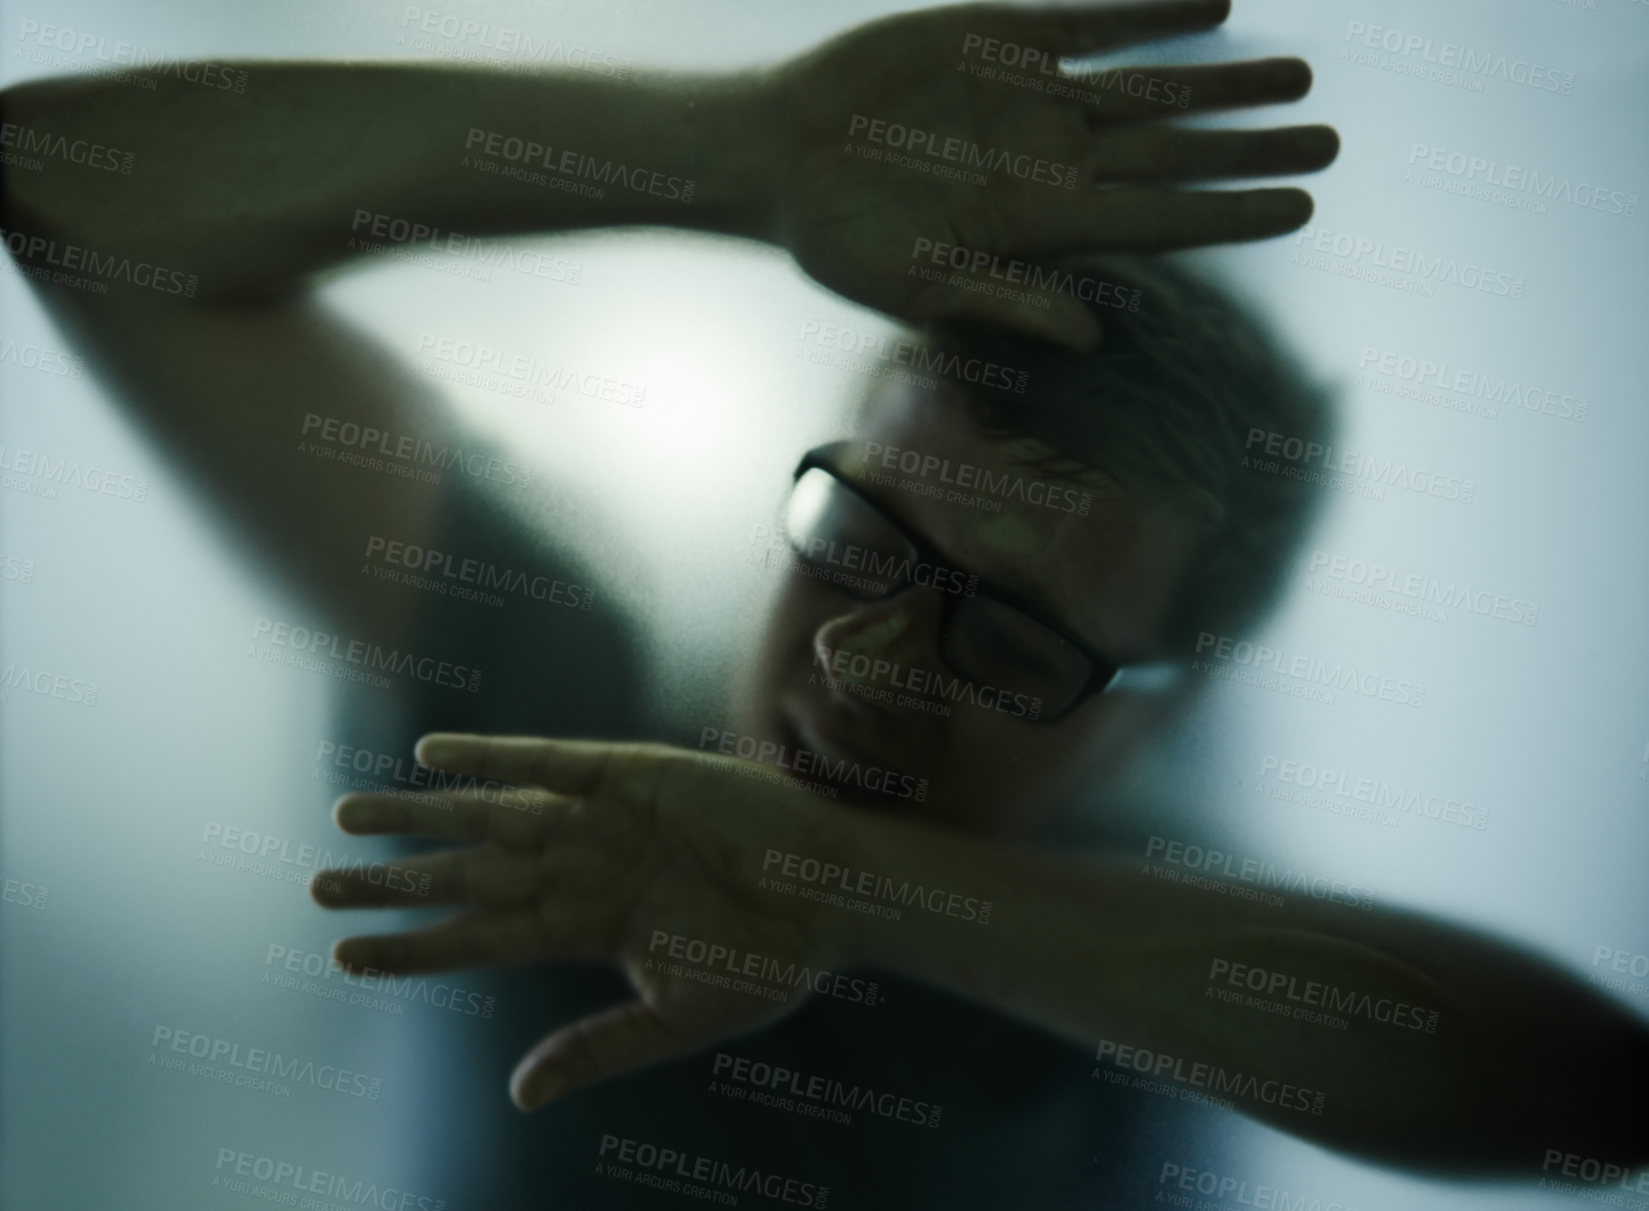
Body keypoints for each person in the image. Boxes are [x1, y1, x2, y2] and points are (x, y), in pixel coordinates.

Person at [3, 1, 1643, 1204]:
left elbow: (1591, 1097)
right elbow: (71, 184)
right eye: (858, 534)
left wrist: (839, 889)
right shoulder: (554, 714)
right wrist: (728, 152)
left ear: (1173, 709)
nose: (868, 654)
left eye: (1002, 638)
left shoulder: (1163, 930)